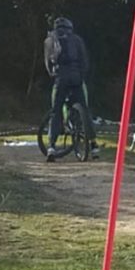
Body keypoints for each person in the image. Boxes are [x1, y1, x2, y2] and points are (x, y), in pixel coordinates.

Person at [43, 16, 99, 161]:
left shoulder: (49, 40)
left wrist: (53, 74)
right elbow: (85, 60)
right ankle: (93, 145)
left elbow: (48, 64)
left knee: (56, 111)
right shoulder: (77, 39)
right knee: (84, 108)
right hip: (77, 78)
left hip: (60, 78)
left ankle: (51, 147)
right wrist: (81, 74)